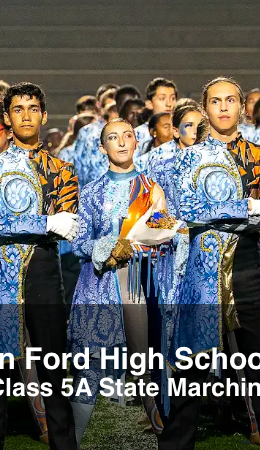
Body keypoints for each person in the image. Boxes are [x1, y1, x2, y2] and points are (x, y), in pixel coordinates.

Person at [0, 82, 79, 450]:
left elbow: (69, 223)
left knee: (53, 374)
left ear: (44, 116)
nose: (26, 116)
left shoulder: (62, 170)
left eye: (33, 108)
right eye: (18, 109)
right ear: (7, 117)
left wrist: (42, 224)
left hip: (44, 273)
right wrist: (44, 222)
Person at [199, 77, 260, 449]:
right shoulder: (185, 160)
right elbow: (172, 218)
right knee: (190, 375)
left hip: (245, 265)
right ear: (205, 109)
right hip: (198, 270)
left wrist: (207, 212)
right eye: (215, 101)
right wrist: (247, 204)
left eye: (230, 100)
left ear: (242, 108)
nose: (223, 107)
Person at [68, 119, 176, 445]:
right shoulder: (90, 191)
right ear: (103, 148)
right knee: (88, 368)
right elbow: (78, 243)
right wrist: (104, 247)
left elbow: (164, 236)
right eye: (113, 137)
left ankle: (166, 438)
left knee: (144, 367)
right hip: (97, 285)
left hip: (137, 284)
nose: (121, 141)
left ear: (136, 142)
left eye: (127, 135)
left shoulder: (152, 189)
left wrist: (133, 246)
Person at [136, 78, 178, 150]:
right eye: (162, 98)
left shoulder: (182, 130)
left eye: (173, 98)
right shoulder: (137, 134)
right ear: (149, 104)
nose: (169, 104)